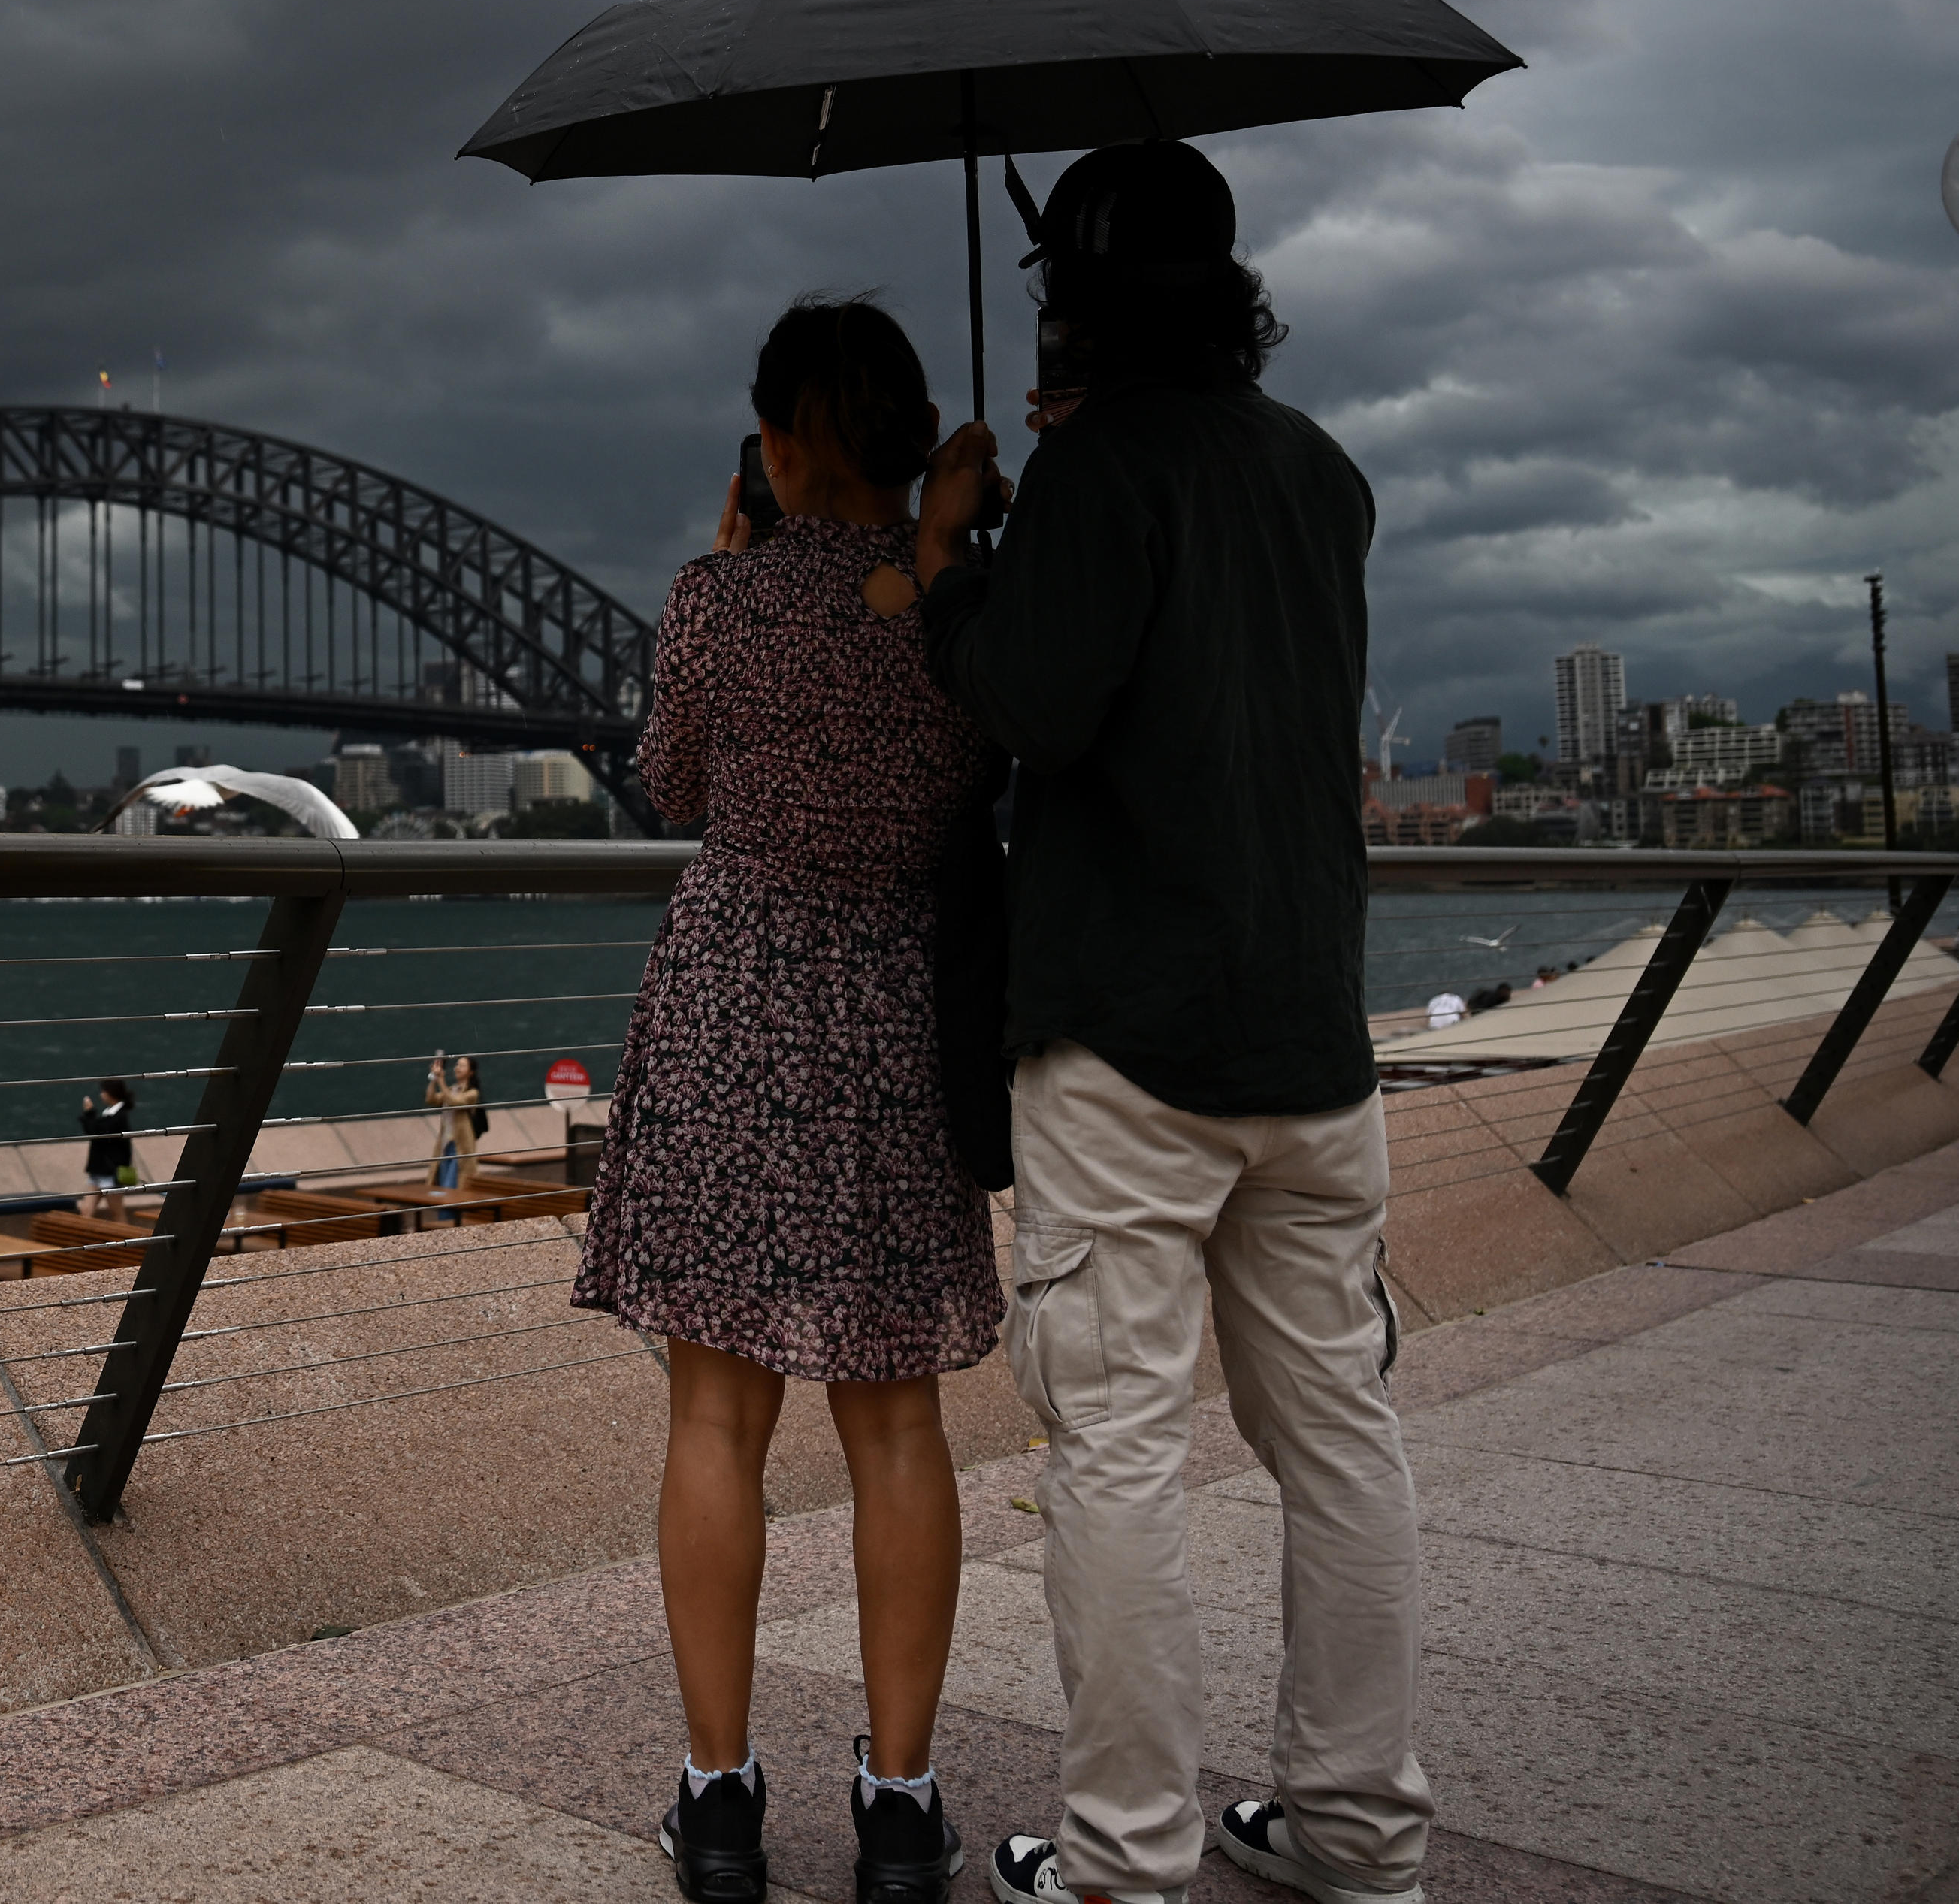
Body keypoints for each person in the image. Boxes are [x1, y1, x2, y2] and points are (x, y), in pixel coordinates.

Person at [914, 140, 1426, 1904]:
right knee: (1340, 1437)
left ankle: (1127, 1860)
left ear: (1064, 303)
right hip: (1310, 1033)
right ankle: (1360, 1831)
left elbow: (1034, 704)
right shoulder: (1321, 472)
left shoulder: (1097, 475)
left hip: (1126, 1041)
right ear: (1234, 296)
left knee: (1117, 1455)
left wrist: (953, 564)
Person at [573, 294, 1002, 1904]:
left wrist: (733, 568)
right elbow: (982, 770)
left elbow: (673, 784)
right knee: (896, 1421)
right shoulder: (962, 607)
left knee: (715, 1414)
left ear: (773, 441)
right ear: (908, 442)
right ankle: (900, 1808)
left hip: (736, 996)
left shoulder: (716, 600)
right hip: (900, 1005)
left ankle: (722, 1801)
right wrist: (945, 545)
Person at [425, 1050, 485, 1189]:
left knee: (454, 1187)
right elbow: (431, 1099)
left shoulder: (472, 1093)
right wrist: (434, 1078)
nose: (457, 1068)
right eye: (457, 1065)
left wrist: (441, 1080)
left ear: (471, 1072)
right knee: (444, 1187)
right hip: (445, 1145)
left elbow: (454, 1101)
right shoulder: (452, 1089)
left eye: (462, 1066)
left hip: (460, 1147)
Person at [77, 1078, 138, 1210]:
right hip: (100, 1170)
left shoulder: (118, 1117)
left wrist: (89, 1113)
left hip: (110, 1173)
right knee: (86, 1211)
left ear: (112, 1093)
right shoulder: (112, 1114)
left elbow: (97, 1134)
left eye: (104, 1091)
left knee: (117, 1212)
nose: (101, 1094)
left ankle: (126, 1232)